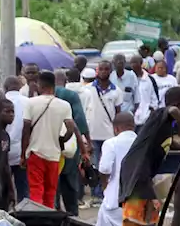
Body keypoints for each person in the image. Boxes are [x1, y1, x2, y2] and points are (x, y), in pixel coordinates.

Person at [119, 87, 180, 226]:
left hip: (136, 170)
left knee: (141, 215)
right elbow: (173, 111)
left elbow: (172, 142)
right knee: (151, 209)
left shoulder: (165, 128)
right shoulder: (161, 114)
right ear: (178, 105)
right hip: (137, 169)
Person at [21, 71, 76, 209]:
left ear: (40, 85)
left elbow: (26, 129)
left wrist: (23, 154)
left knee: (36, 189)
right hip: (54, 155)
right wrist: (61, 141)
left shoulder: (31, 103)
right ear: (53, 86)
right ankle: (50, 221)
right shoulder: (64, 105)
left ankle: (38, 219)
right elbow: (70, 129)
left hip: (35, 153)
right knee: (50, 191)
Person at [96, 112, 139, 226]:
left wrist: (105, 186)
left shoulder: (111, 143)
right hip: (139, 201)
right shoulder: (142, 142)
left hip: (115, 202)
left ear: (116, 128)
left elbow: (105, 168)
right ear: (132, 126)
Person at [50, 69, 91, 214]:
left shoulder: (43, 95)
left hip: (50, 145)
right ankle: (72, 212)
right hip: (69, 145)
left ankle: (54, 209)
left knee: (52, 181)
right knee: (70, 180)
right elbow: (79, 121)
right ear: (66, 80)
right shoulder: (71, 95)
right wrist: (87, 143)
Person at [81, 62, 123, 200]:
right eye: (101, 69)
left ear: (110, 71)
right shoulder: (87, 90)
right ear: (96, 71)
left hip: (109, 134)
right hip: (91, 133)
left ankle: (103, 191)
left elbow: (118, 113)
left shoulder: (116, 91)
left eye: (107, 69)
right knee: (94, 165)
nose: (104, 71)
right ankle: (95, 192)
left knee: (106, 164)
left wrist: (117, 131)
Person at [3, 75, 29, 202]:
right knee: (23, 189)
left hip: (4, 152)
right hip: (22, 152)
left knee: (4, 189)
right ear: (20, 87)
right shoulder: (28, 101)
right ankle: (24, 216)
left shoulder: (1, 100)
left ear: (5, 87)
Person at [136, 59, 178, 126]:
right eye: (157, 68)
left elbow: (175, 93)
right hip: (155, 109)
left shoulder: (172, 79)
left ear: (165, 69)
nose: (159, 70)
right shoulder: (151, 78)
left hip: (167, 108)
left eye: (161, 68)